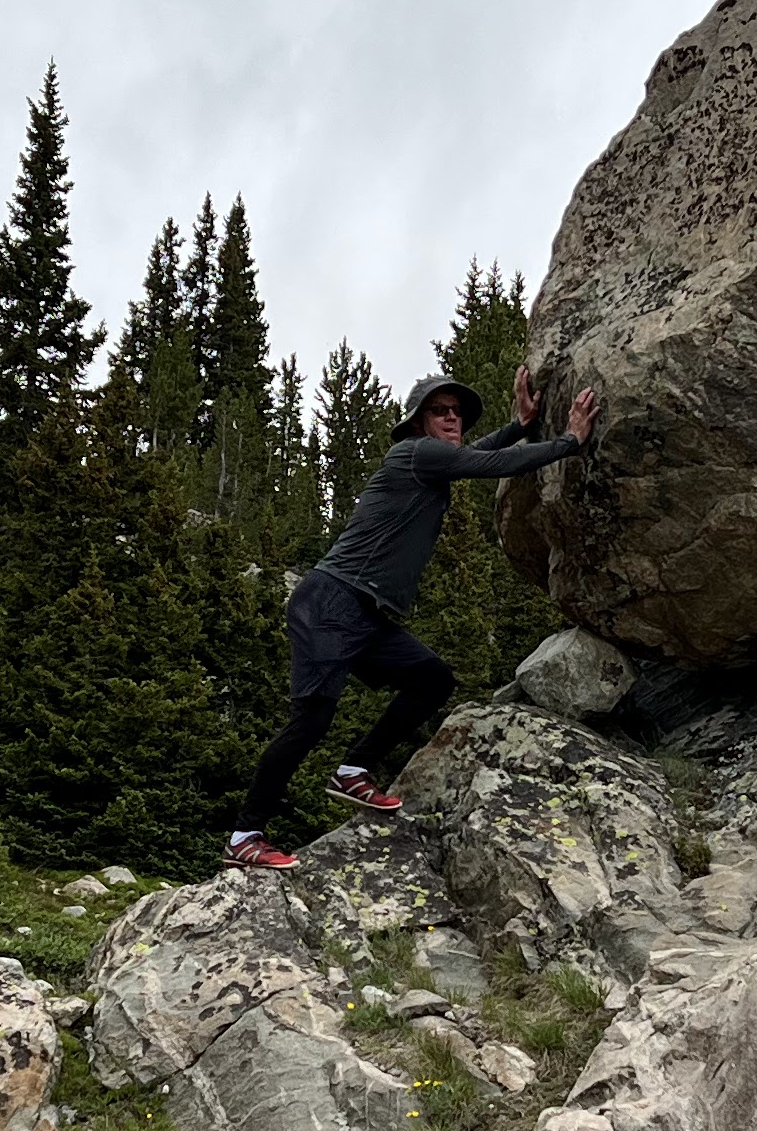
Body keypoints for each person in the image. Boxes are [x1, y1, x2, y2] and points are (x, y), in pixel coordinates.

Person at [225, 362, 601, 871]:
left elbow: (480, 452)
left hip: (367, 614)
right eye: (439, 411)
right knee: (311, 721)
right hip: (332, 602)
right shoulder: (417, 454)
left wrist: (522, 423)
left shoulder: (433, 461)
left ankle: (353, 770)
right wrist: (569, 442)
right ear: (420, 422)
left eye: (457, 412)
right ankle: (245, 836)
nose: (452, 417)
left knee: (432, 680)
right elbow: (492, 465)